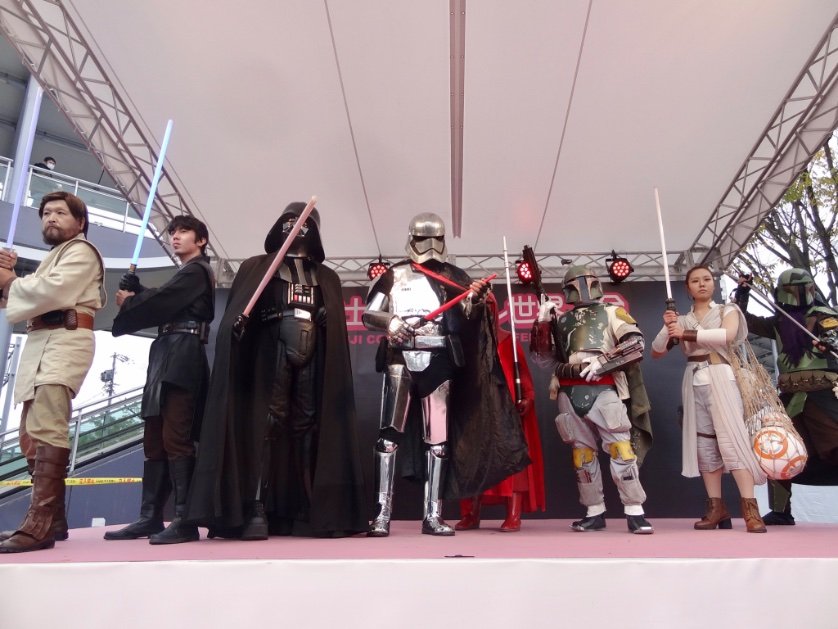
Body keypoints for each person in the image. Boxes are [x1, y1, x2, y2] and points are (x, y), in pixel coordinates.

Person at [187, 202, 366, 539]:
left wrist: (326, 317)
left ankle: (308, 505)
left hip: (313, 352)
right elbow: (240, 312)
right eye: (291, 222)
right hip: (273, 349)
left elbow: (331, 319)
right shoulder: (258, 267)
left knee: (307, 426)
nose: (297, 228)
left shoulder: (325, 276)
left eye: (304, 223)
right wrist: (239, 326)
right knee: (267, 423)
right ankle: (255, 505)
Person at [364, 212, 529, 537]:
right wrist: (391, 322)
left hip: (439, 360)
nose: (428, 245)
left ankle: (433, 514)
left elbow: (466, 316)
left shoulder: (455, 276)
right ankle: (381, 514)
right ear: (411, 239)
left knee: (438, 443)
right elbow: (371, 313)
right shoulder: (393, 275)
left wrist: (475, 299)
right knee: (388, 438)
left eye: (434, 239)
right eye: (422, 238)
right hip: (400, 359)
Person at [0, 191, 104, 553]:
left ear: (80, 222)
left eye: (60, 212)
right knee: (31, 433)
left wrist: (10, 280)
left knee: (47, 425)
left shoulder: (82, 251)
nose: (51, 218)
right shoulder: (54, 257)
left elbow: (53, 291)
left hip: (65, 338)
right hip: (43, 341)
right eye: (46, 213)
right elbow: (21, 299)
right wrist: (7, 278)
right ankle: (53, 520)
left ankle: (40, 523)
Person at [103, 215, 214, 545]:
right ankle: (150, 516)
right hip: (165, 352)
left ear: (201, 240)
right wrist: (140, 292)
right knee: (154, 439)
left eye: (184, 231)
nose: (175, 236)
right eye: (173, 232)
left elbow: (166, 300)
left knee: (176, 437)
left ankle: (184, 520)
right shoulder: (186, 273)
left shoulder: (198, 270)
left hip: (183, 353)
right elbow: (167, 298)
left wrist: (131, 300)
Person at [530, 265, 654, 534]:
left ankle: (635, 510)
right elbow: (543, 359)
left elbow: (635, 344)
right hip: (568, 391)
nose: (581, 288)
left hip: (604, 388)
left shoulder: (612, 312)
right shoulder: (561, 320)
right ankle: (594, 511)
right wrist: (542, 323)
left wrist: (604, 361)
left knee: (621, 449)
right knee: (582, 455)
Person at [651, 265, 767, 532]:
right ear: (688, 287)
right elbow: (657, 351)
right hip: (694, 380)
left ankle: (750, 509)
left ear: (713, 284)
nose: (702, 284)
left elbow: (726, 335)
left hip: (721, 376)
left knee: (732, 441)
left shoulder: (728, 310)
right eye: (695, 280)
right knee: (705, 446)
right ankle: (716, 508)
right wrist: (668, 326)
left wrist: (684, 333)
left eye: (706, 279)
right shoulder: (681, 319)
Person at [734, 268, 838, 525]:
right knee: (776, 447)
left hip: (825, 393)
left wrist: (829, 343)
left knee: (835, 445)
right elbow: (741, 321)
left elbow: (834, 339)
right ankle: (781, 510)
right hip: (790, 396)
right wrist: (743, 293)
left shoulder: (825, 316)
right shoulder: (779, 323)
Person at [455, 294, 546, 532]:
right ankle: (471, 514)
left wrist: (527, 397)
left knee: (511, 459)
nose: (483, 311)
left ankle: (514, 514)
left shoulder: (508, 340)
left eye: (487, 306)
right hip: (475, 409)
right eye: (478, 306)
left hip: (504, 408)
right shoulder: (464, 341)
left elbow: (522, 374)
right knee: (472, 462)